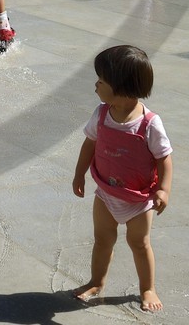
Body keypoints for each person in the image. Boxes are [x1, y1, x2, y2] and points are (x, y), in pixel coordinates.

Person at [72, 44, 173, 312]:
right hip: (105, 193)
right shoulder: (101, 114)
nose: (95, 85)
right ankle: (96, 281)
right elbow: (89, 144)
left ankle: (147, 288)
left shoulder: (149, 123)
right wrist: (79, 173)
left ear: (122, 87)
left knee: (139, 244)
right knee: (102, 240)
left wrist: (163, 190)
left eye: (101, 81)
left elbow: (164, 158)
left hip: (138, 200)